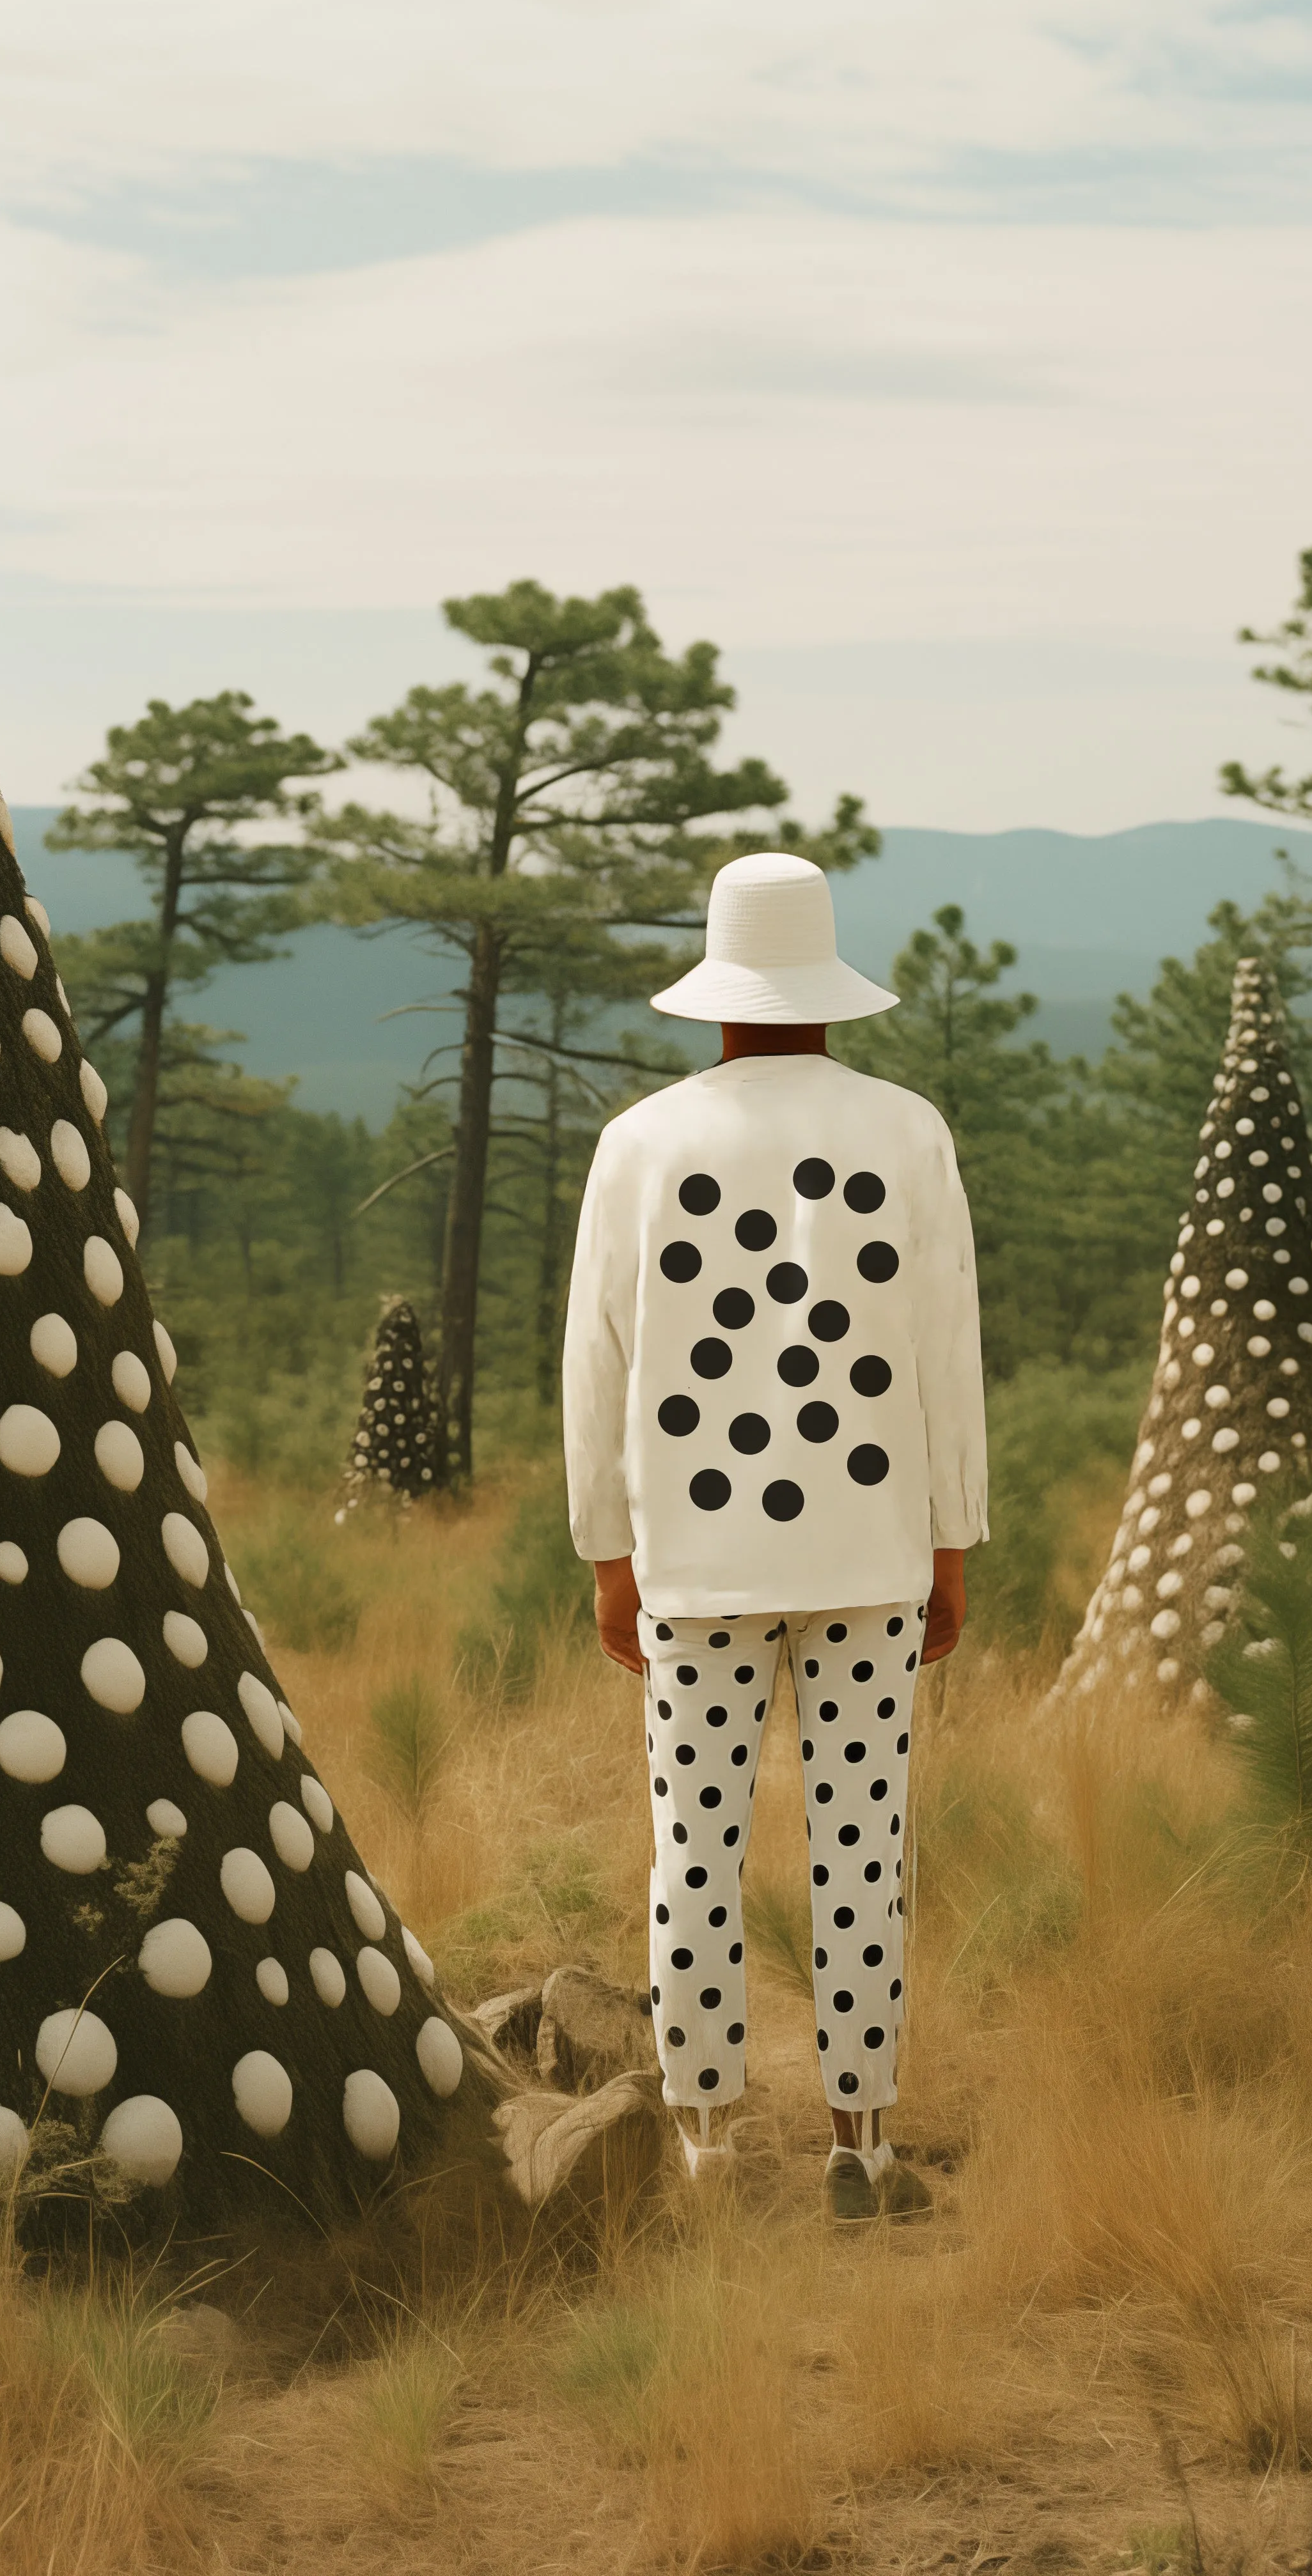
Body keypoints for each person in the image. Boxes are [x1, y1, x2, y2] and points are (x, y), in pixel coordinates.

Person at [563, 852, 988, 2223]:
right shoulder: (907, 1130)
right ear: (825, 987)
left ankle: (701, 2137)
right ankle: (859, 2138)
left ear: (716, 991)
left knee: (692, 1843)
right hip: (869, 1557)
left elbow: (593, 1361)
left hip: (692, 1561)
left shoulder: (640, 1140)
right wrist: (951, 1538)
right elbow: (942, 1353)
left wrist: (606, 1547)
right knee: (860, 1840)